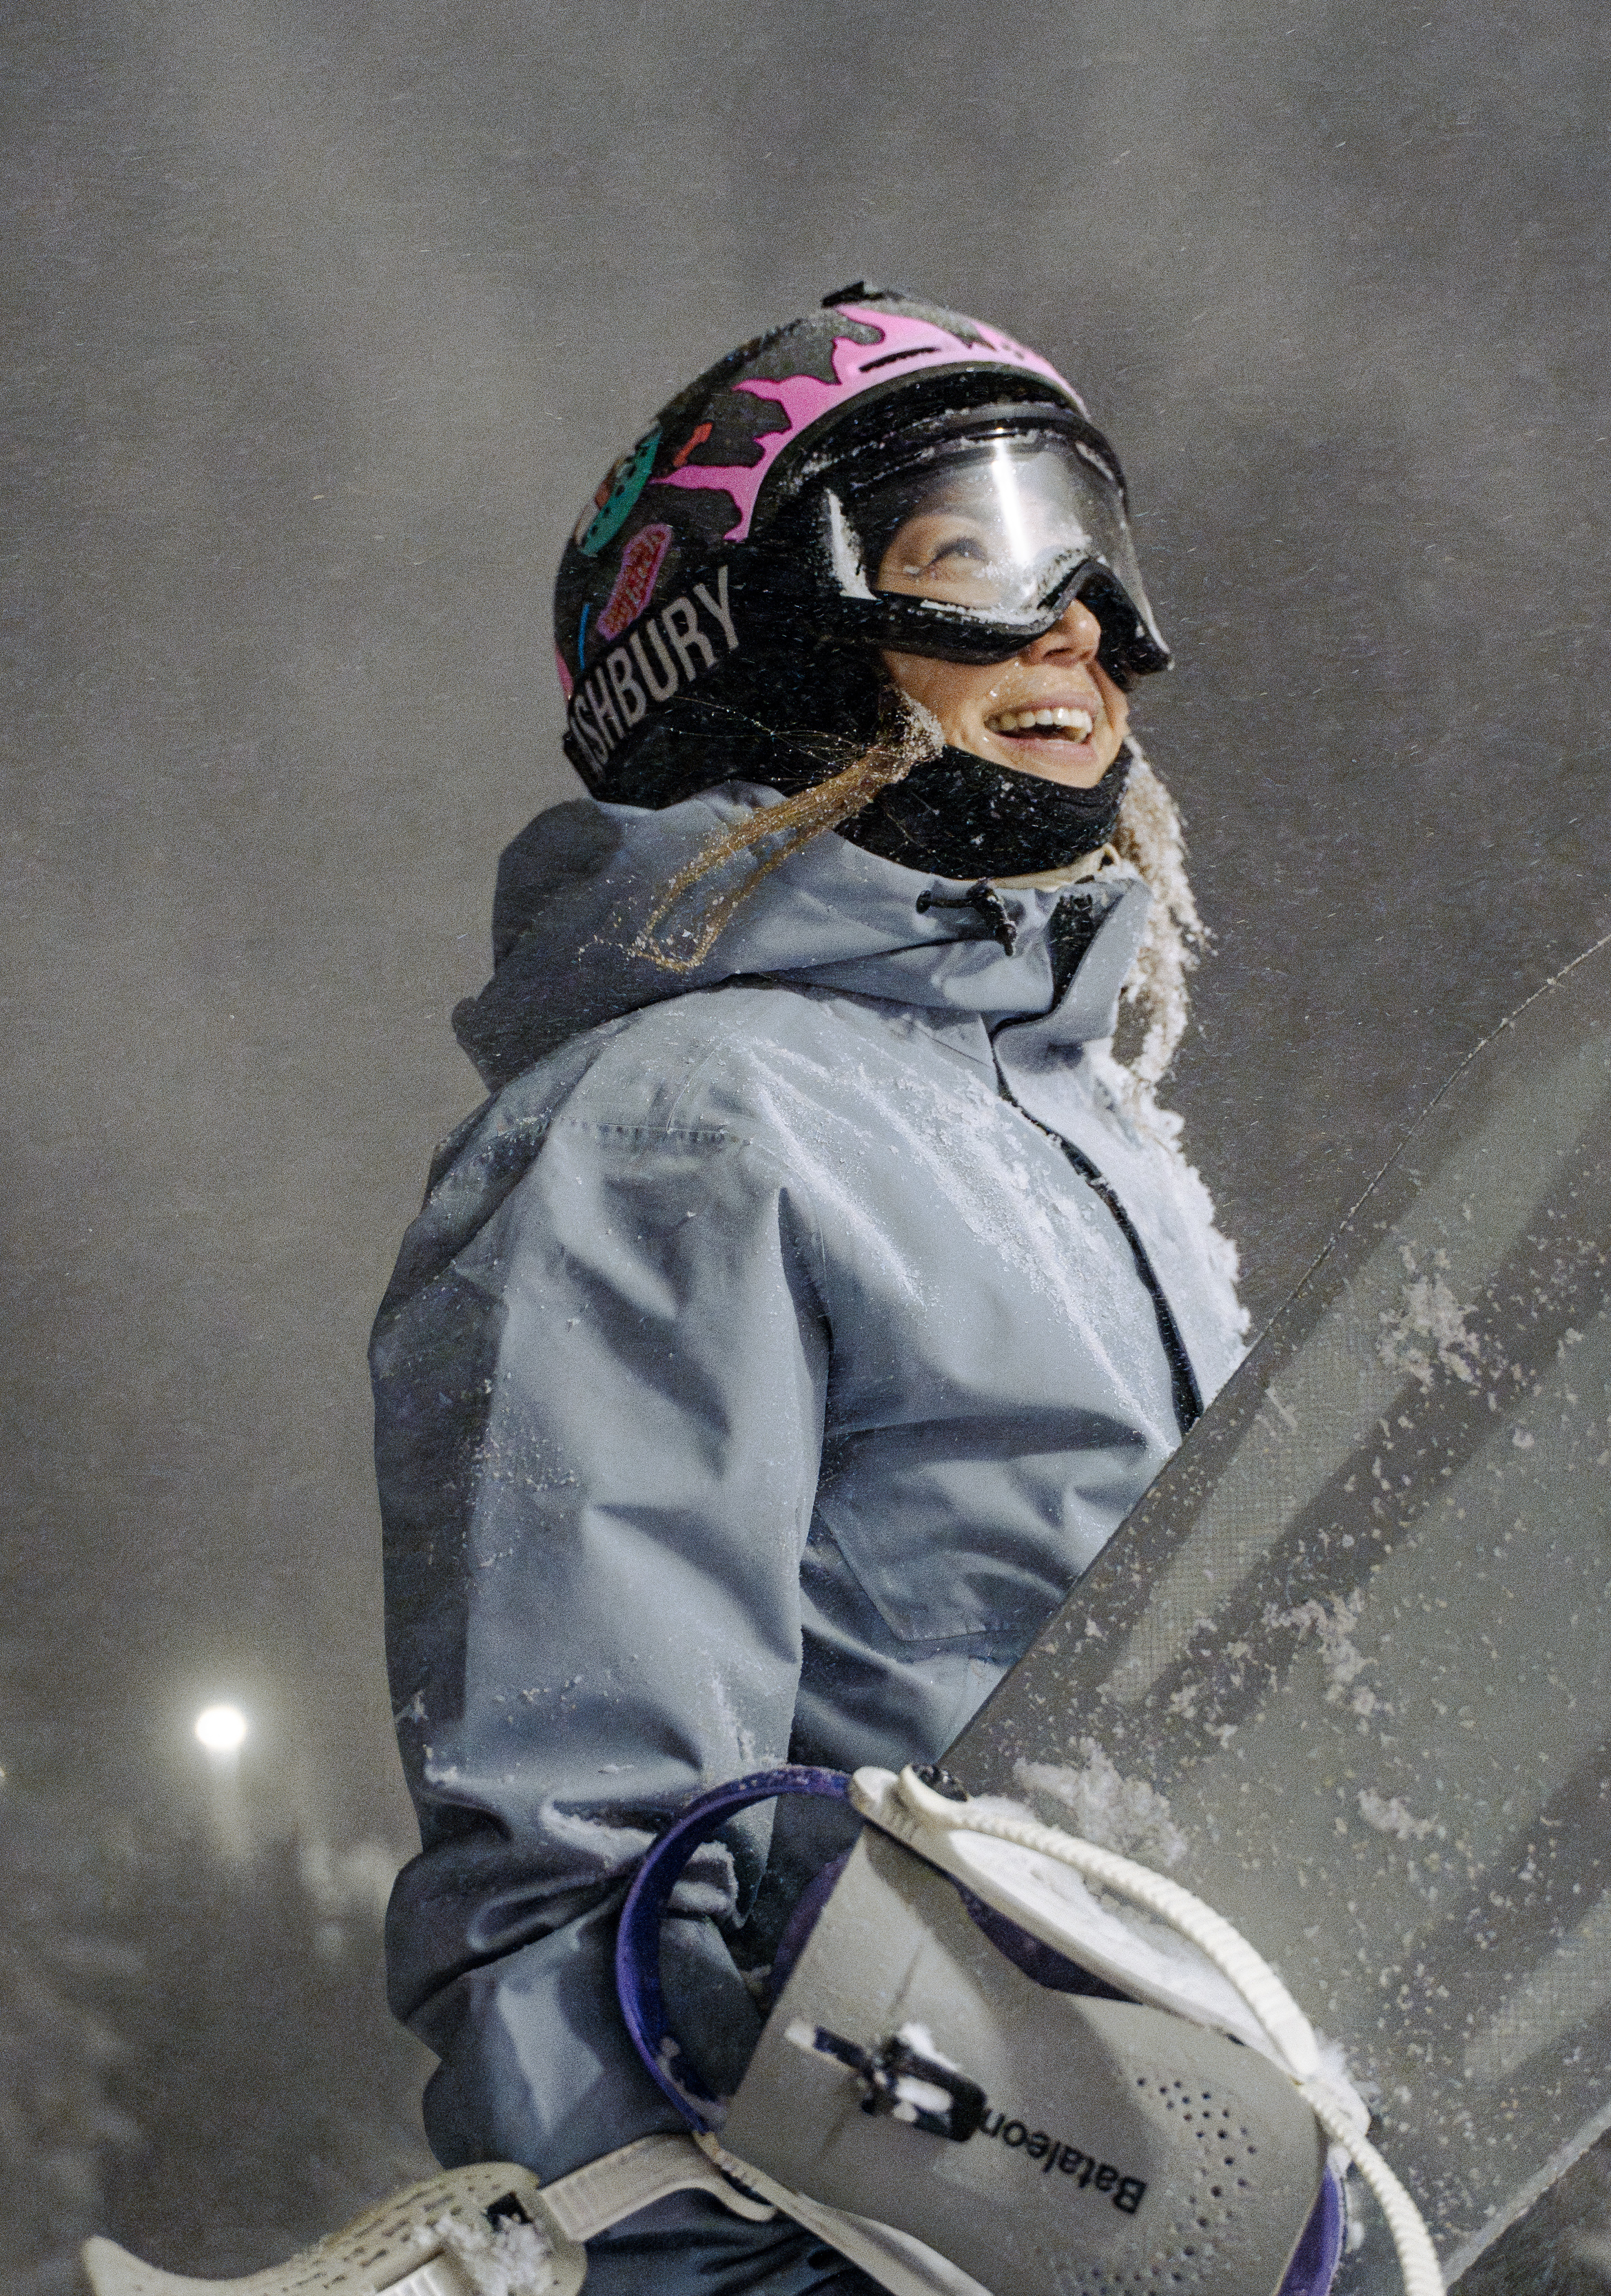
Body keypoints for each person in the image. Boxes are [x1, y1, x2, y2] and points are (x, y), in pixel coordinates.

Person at [371, 286, 1246, 2296]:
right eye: (984, 554)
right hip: (907, 2231)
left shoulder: (1080, 1128)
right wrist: (702, 2264)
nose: (1083, 619)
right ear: (762, 635)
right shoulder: (674, 1132)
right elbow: (578, 1861)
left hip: (1195, 2191)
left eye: (1096, 547)